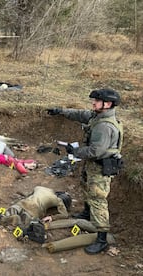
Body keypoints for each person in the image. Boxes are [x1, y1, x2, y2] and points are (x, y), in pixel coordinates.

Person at [46, 88, 123, 255]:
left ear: (107, 104)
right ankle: (87, 214)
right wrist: (61, 111)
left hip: (100, 167)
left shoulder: (104, 126)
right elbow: (81, 115)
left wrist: (75, 152)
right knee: (87, 188)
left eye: (96, 101)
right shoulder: (98, 117)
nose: (93, 103)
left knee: (98, 200)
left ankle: (101, 239)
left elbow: (96, 151)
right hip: (93, 166)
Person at [0, 186, 71, 231]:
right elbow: (65, 215)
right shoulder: (57, 200)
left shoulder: (40, 188)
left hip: (22, 203)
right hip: (32, 212)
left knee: (2, 215)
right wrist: (52, 217)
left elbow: (27, 194)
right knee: (5, 220)